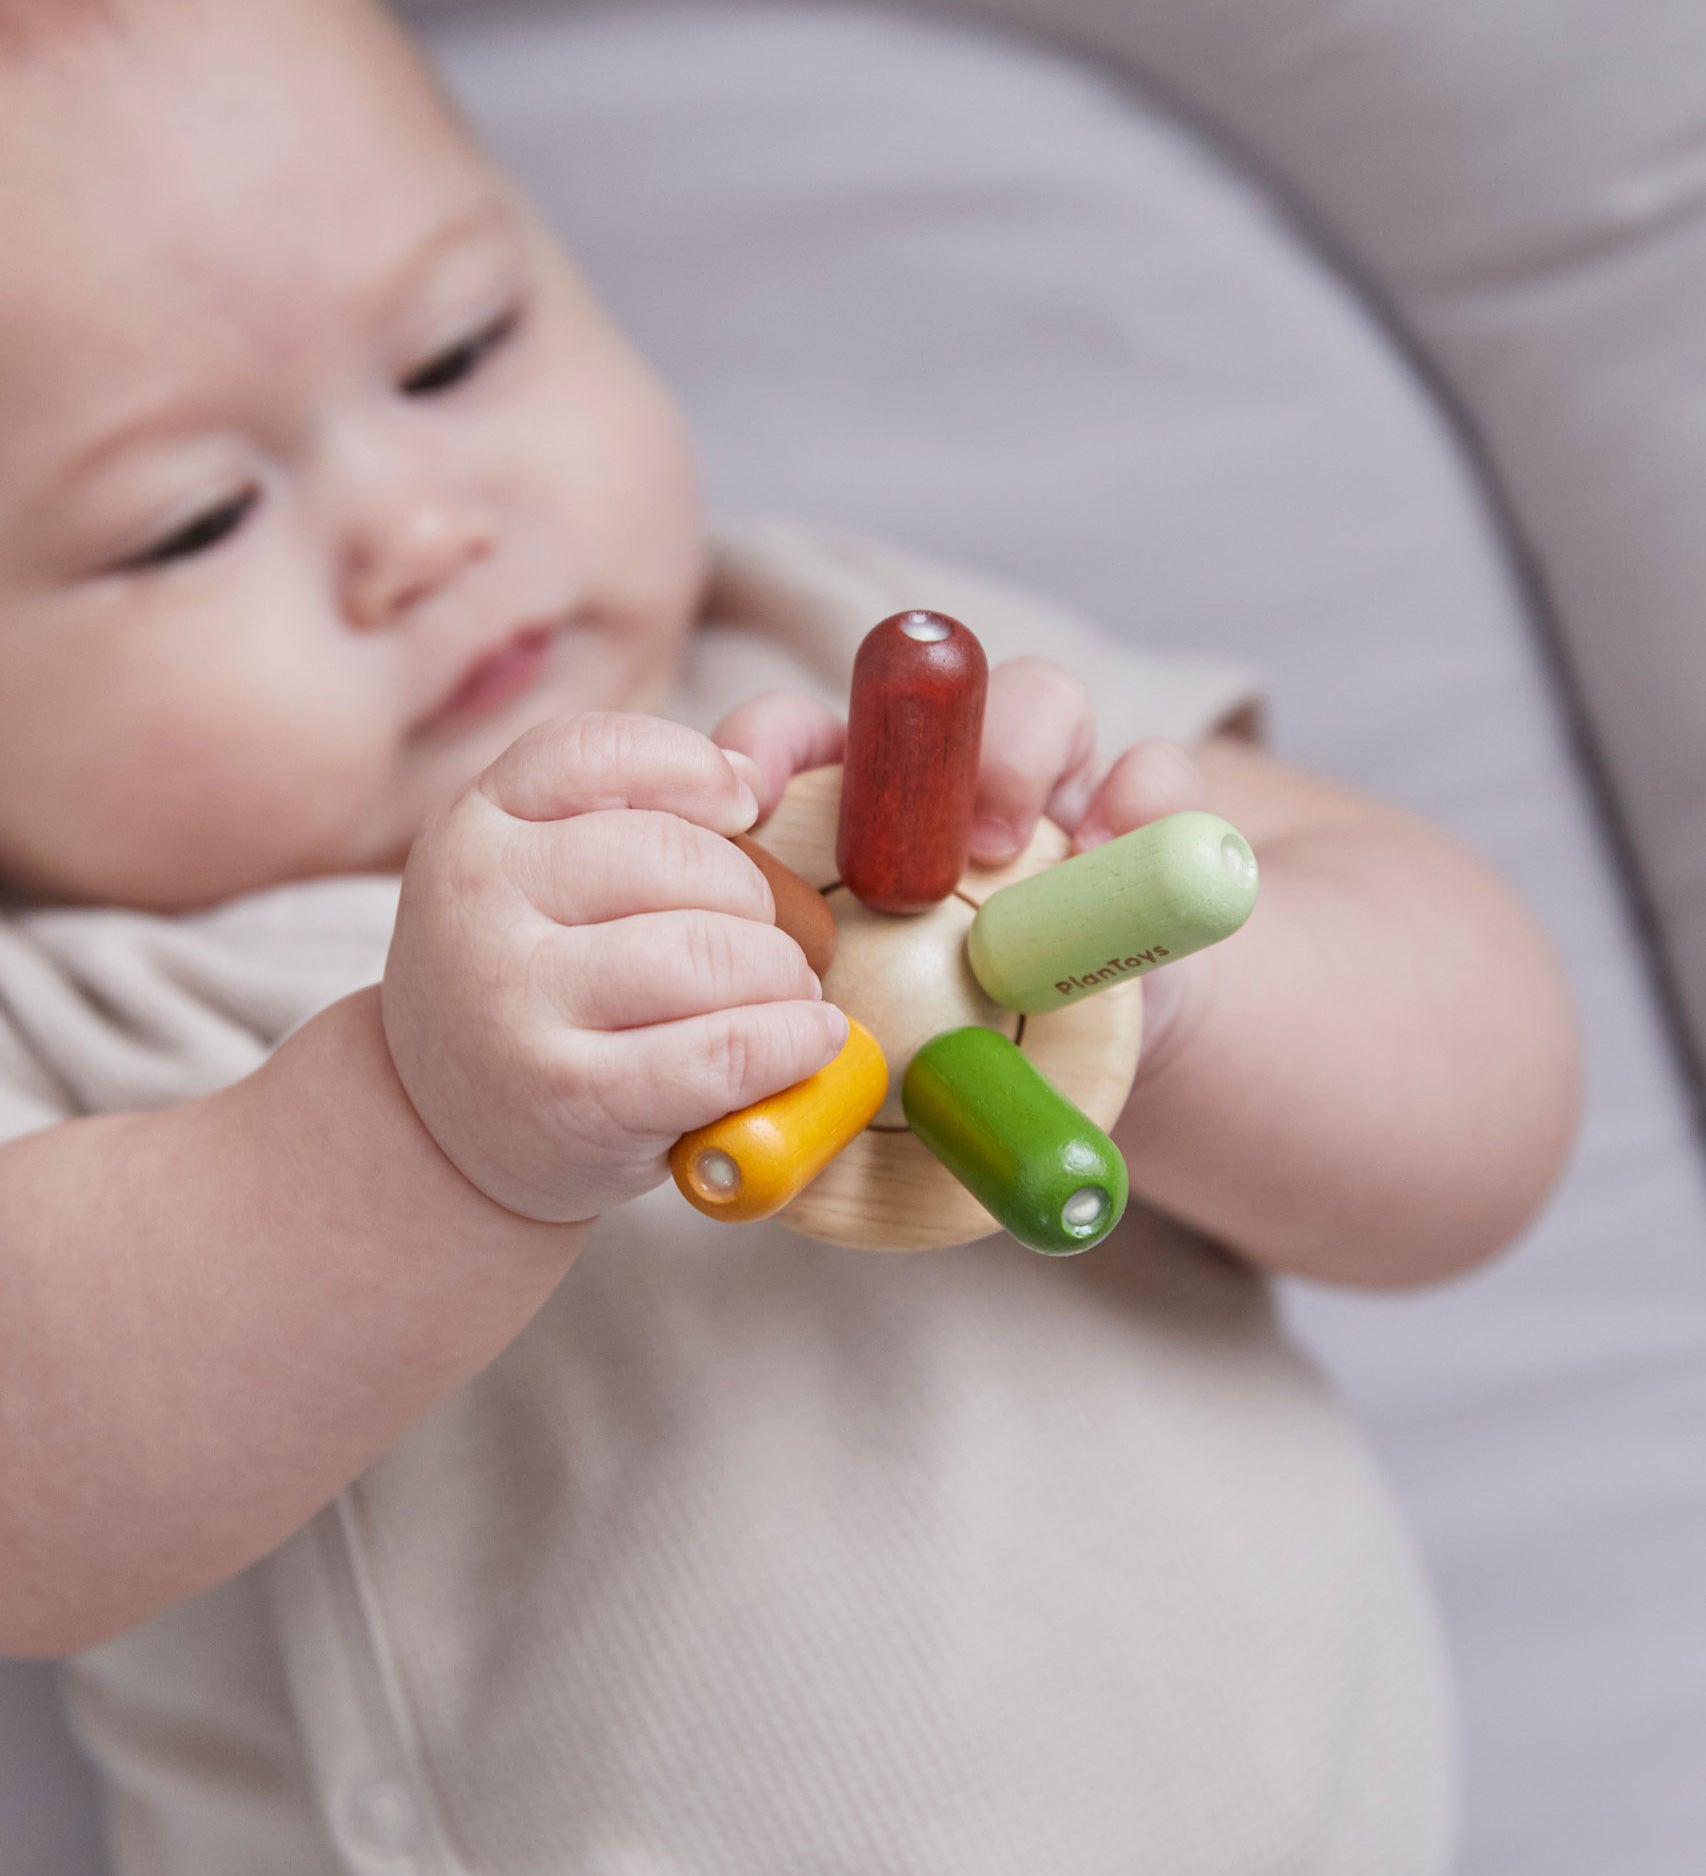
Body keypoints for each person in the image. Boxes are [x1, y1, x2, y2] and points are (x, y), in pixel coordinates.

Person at [0, 0, 1580, 1870]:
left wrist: (1188, 999)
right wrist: (415, 1133)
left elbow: (1491, 1118)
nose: (422, 530)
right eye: (185, 524)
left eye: (454, 351)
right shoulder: (85, 1000)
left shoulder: (882, 675)